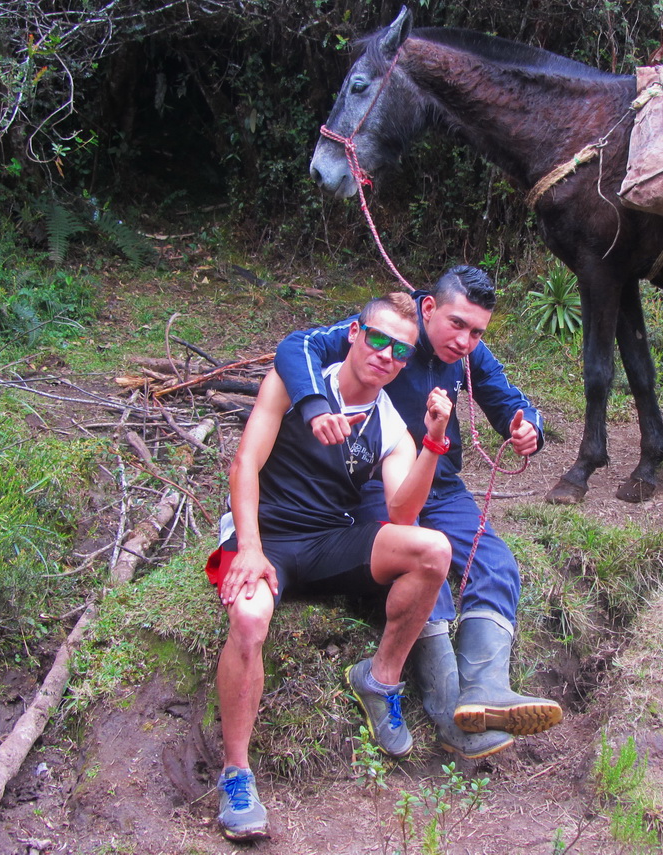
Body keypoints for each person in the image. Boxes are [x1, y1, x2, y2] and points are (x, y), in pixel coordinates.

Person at [274, 265, 562, 764]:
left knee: (496, 564)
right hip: (374, 486)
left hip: (442, 485)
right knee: (428, 575)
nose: (466, 340)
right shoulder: (391, 334)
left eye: (477, 331)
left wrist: (528, 428)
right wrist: (315, 403)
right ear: (429, 307)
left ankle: (488, 689)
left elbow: (510, 402)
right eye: (457, 325)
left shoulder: (471, 356)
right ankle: (450, 710)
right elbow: (296, 345)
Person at [206, 293, 454, 842]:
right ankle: (237, 774)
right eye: (378, 339)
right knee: (248, 620)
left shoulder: (389, 423)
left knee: (434, 549)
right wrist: (248, 546)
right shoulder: (300, 381)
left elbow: (402, 514)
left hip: (329, 540)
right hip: (267, 536)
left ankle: (380, 678)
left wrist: (433, 441)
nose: (386, 355)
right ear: (354, 334)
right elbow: (245, 461)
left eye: (401, 351)